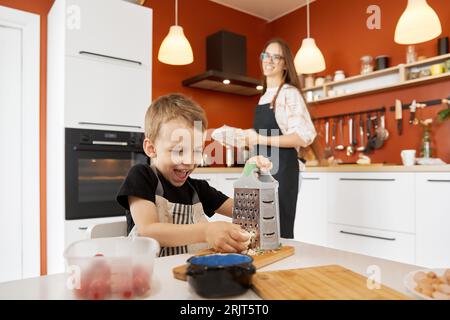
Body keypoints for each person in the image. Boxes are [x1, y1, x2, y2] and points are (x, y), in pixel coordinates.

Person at [116, 93, 255, 257]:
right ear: (151, 148)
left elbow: (248, 211)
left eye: (196, 151)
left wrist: (253, 171)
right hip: (150, 277)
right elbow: (149, 231)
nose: (189, 161)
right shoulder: (142, 176)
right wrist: (206, 231)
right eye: (179, 150)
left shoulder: (198, 189)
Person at [244, 38, 317, 239]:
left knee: (279, 232)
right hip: (263, 170)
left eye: (276, 57)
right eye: (266, 55)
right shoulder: (264, 96)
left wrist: (259, 138)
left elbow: (302, 136)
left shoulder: (289, 94)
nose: (269, 60)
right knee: (260, 231)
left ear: (285, 64)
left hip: (282, 172)